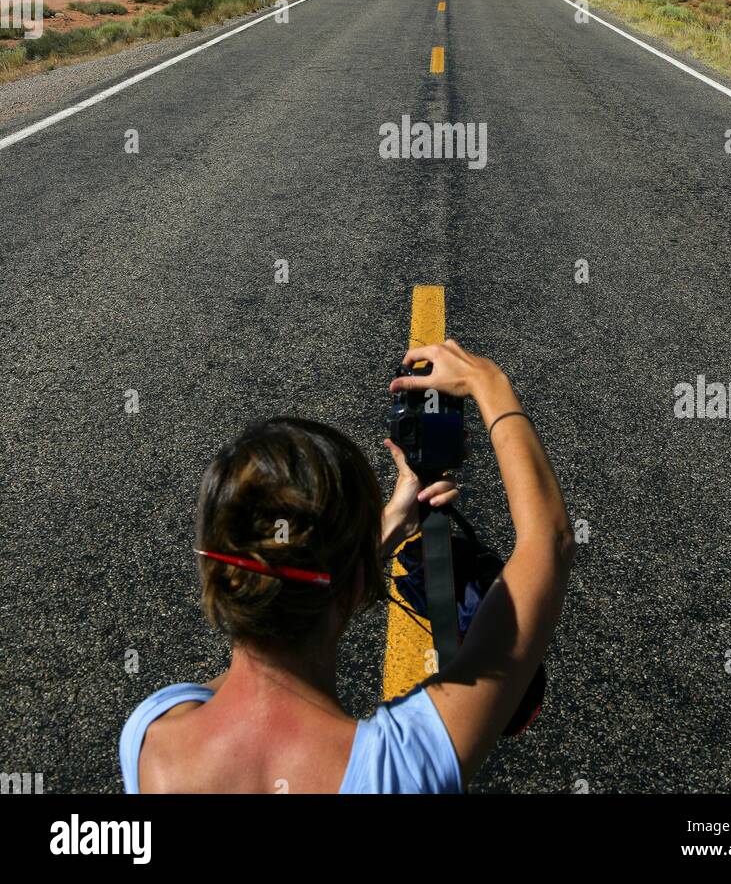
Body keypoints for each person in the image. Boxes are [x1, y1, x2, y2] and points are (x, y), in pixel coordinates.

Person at [119, 339, 575, 794]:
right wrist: (488, 381)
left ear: (217, 573)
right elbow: (547, 542)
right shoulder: (401, 769)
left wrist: (387, 527)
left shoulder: (151, 737)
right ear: (356, 583)